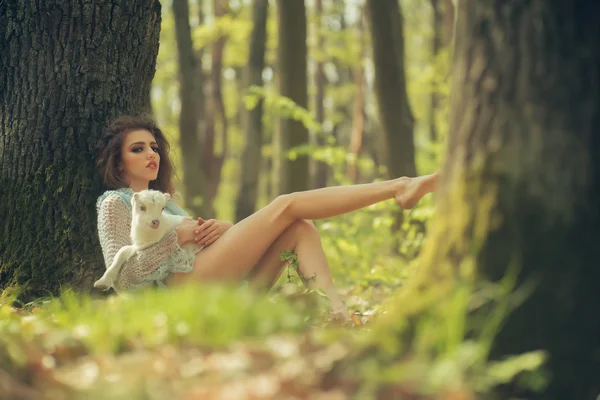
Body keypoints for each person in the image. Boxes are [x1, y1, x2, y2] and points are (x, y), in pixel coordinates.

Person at [95, 115, 438, 321]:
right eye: (138, 149)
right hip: (181, 296)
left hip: (220, 289)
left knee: (299, 228)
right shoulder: (114, 203)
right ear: (119, 162)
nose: (151, 154)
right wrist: (178, 237)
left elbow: (200, 243)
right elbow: (122, 277)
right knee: (286, 204)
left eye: (154, 147)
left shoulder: (169, 203)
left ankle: (339, 315)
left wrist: (223, 229)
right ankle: (399, 187)